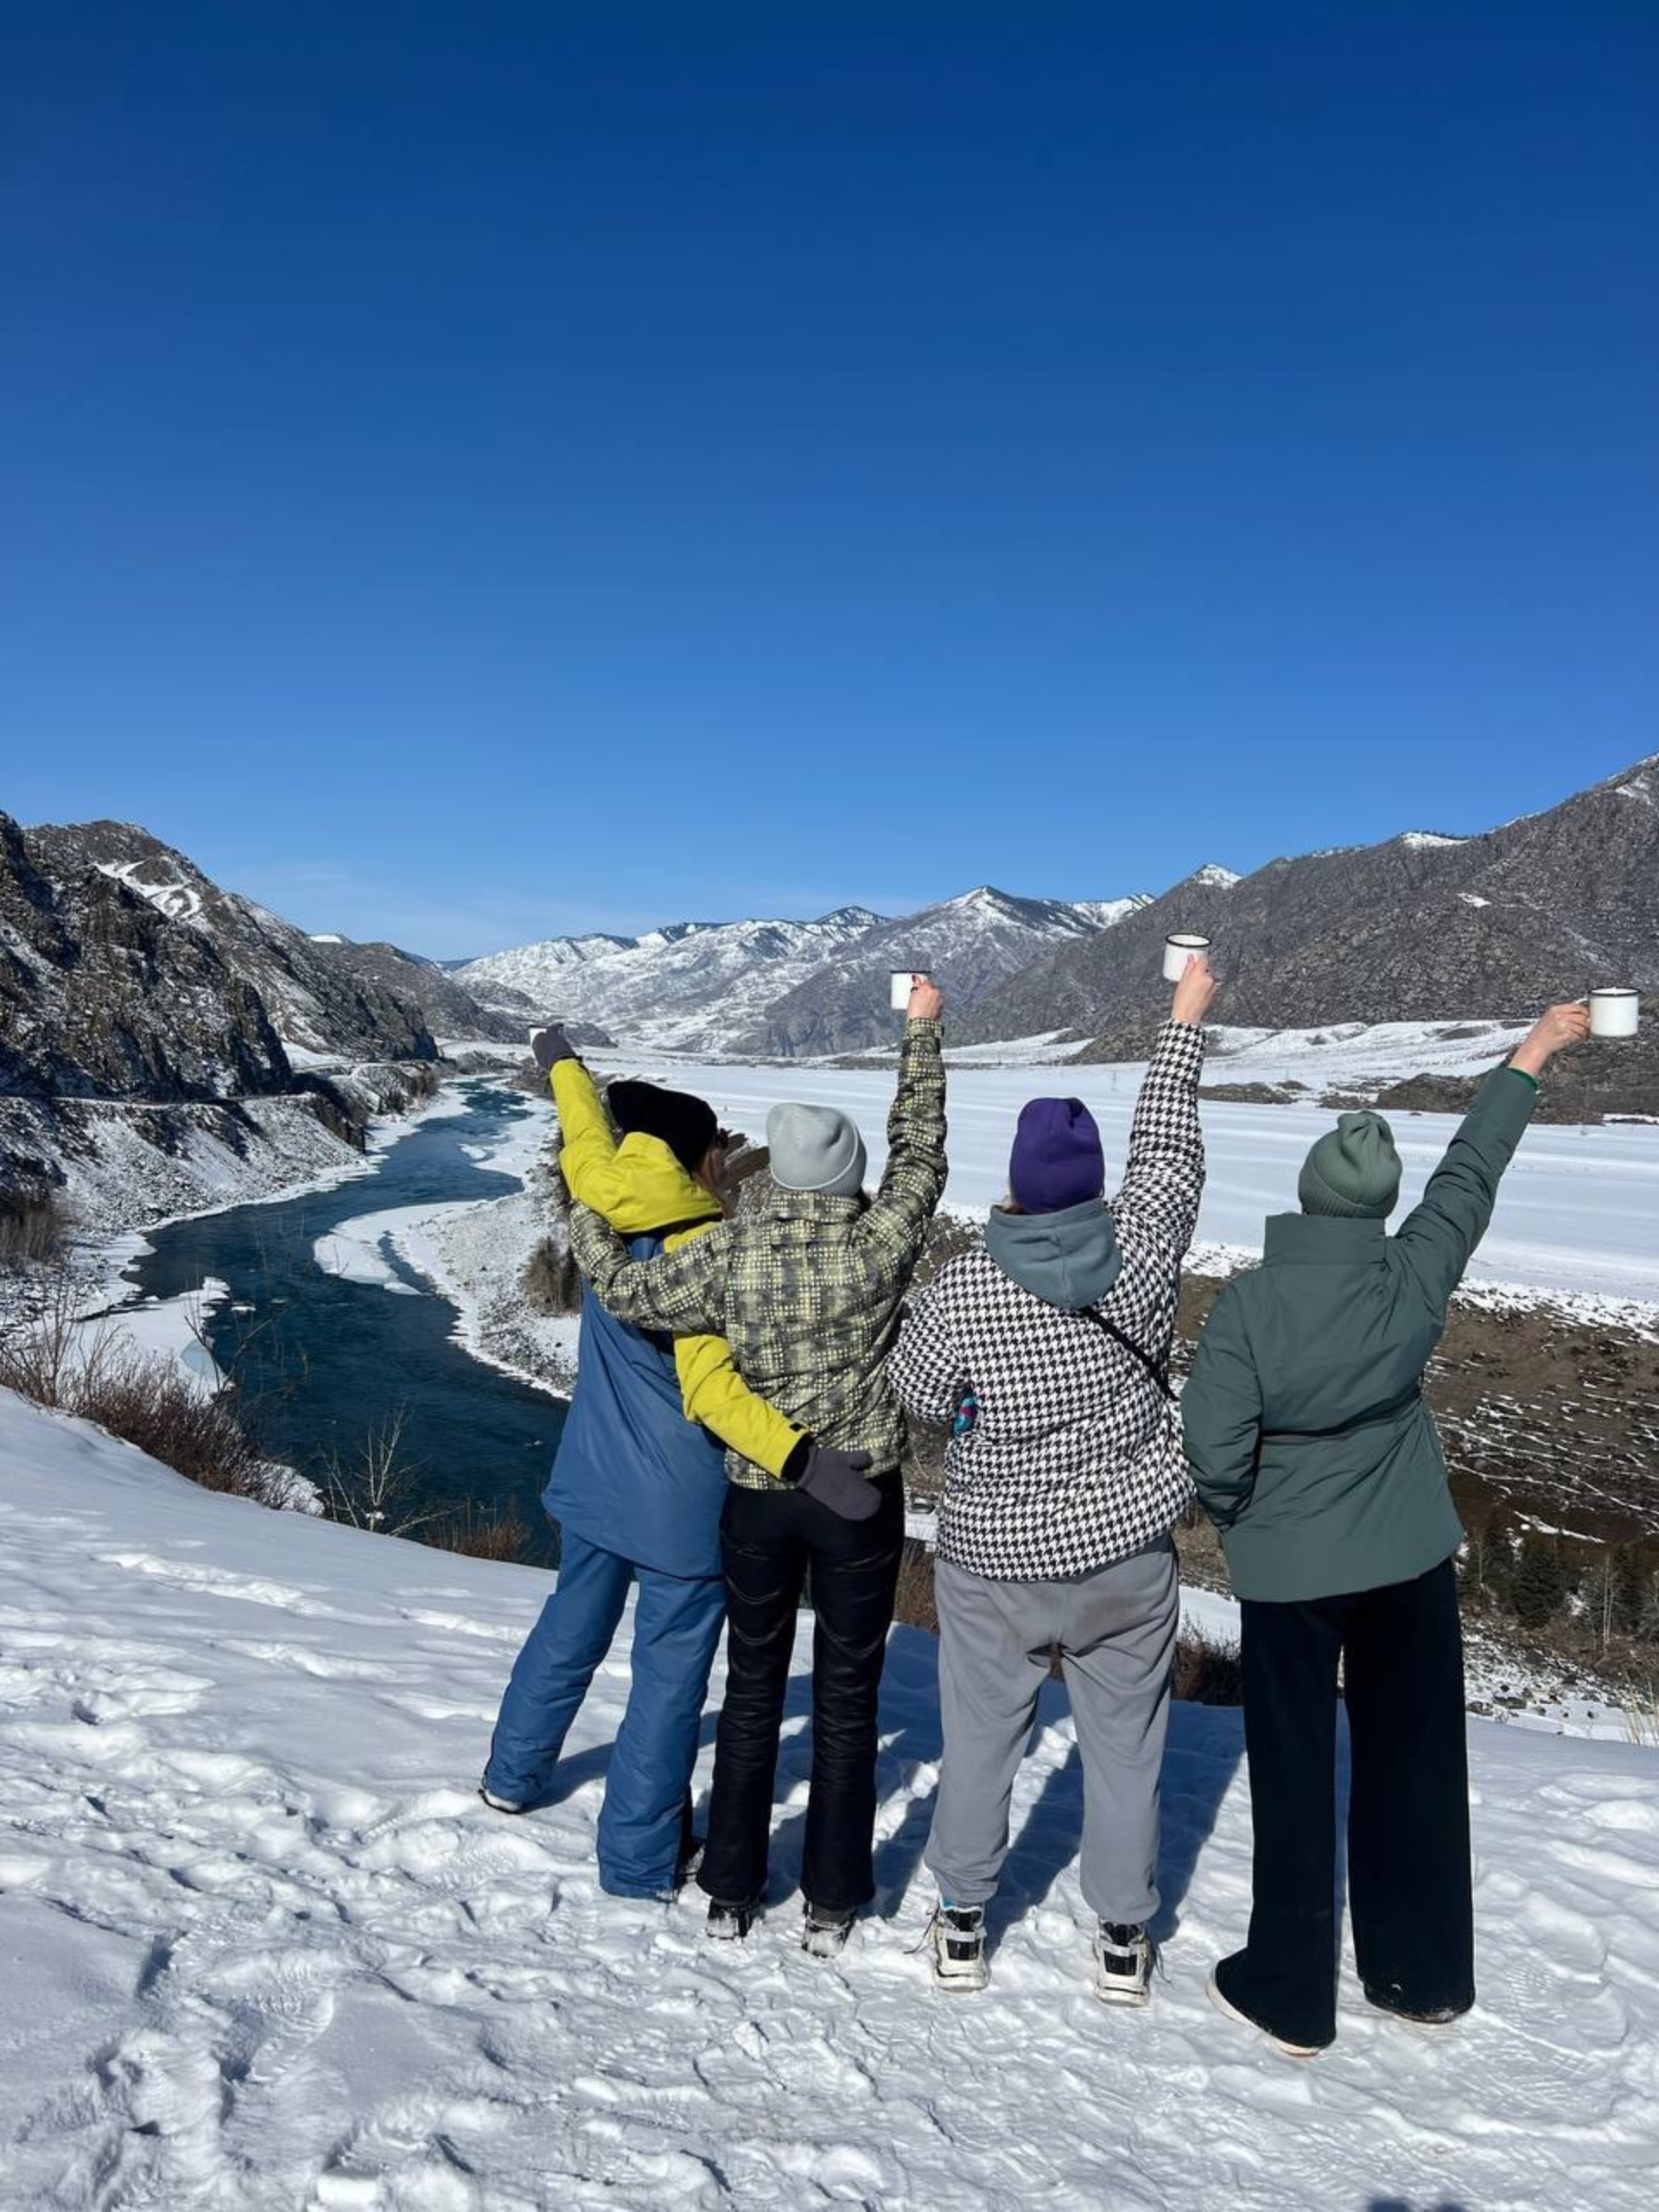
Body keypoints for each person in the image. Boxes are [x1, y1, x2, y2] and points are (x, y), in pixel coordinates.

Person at [1181, 1001, 1592, 2057]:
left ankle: (1289, 1986)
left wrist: (1245, 1519)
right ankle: (1423, 1975)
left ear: (1310, 1198)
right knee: (1413, 1759)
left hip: (1291, 1569)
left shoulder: (1249, 1307)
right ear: (1375, 1206)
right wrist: (1529, 1057)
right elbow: (1470, 1175)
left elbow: (1217, 1453)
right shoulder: (1414, 1276)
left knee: (1293, 1767)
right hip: (1409, 1552)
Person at [565, 979, 948, 1955]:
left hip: (757, 1499)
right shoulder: (876, 1246)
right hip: (860, 1496)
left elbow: (623, 1287)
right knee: (849, 1700)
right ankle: (831, 1898)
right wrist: (920, 1032)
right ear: (845, 1177)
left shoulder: (725, 1253)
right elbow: (922, 1155)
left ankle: (732, 1885)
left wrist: (587, 1210)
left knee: (750, 1689)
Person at [887, 957, 1217, 2002]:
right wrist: (1182, 1020)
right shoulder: (1148, 1243)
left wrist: (983, 1406)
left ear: (1021, 1186)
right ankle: (1123, 1935)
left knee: (984, 1741)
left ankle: (962, 1918)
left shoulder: (968, 1284)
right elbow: (1169, 1150)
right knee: (1127, 1749)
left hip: (994, 1560)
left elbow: (918, 1390)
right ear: (1094, 1183)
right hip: (1126, 1551)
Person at [481, 1025, 864, 1902]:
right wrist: (810, 1463)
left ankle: (511, 1774)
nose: (724, 1170)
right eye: (716, 1157)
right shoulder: (700, 1255)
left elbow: (586, 1128)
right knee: (667, 1682)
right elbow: (715, 1398)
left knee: (567, 1631)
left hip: (591, 1483)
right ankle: (637, 1858)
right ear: (695, 1160)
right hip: (683, 1514)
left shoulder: (600, 1197)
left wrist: (562, 1063)